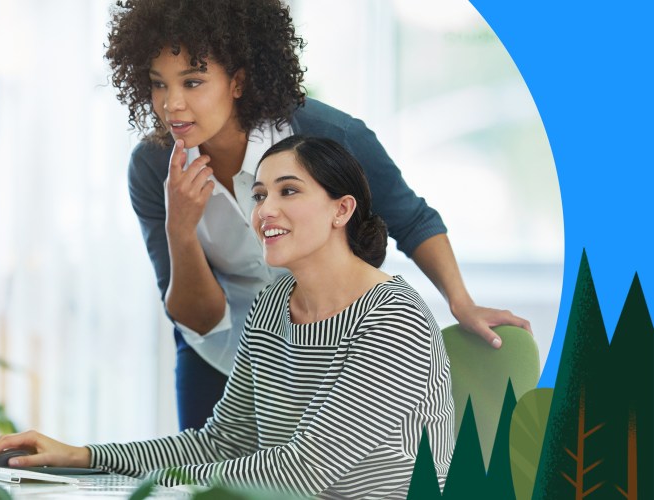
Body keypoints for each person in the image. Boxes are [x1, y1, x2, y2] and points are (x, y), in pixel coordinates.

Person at [106, 0, 530, 430]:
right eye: (159, 84)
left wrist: (462, 303)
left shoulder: (330, 136)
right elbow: (200, 318)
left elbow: (412, 219)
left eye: (193, 82)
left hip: (329, 345)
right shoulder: (153, 168)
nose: (171, 105)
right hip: (218, 356)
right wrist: (180, 228)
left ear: (237, 81)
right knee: (203, 487)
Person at [0, 136, 455, 498]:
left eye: (289, 192)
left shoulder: (393, 319)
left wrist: (148, 490)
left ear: (341, 210)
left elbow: (304, 470)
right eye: (260, 194)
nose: (266, 210)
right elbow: (221, 443)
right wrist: (83, 458)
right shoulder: (273, 305)